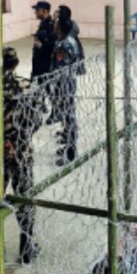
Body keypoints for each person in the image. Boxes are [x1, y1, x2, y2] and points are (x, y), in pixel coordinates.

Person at [0, 47, 43, 263]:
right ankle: (26, 248)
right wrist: (18, 141)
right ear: (16, 63)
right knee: (24, 199)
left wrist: (0, 141)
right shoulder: (27, 86)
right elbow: (37, 119)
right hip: (21, 154)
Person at [50, 17, 80, 166]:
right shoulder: (70, 40)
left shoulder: (64, 44)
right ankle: (68, 146)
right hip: (68, 81)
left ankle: (70, 152)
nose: (54, 26)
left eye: (56, 24)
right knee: (68, 114)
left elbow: (60, 66)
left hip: (64, 84)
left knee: (68, 116)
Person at [31, 0, 55, 83]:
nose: (35, 12)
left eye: (38, 10)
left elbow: (53, 43)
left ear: (45, 11)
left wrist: (42, 46)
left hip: (45, 64)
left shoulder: (51, 25)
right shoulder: (43, 24)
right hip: (38, 62)